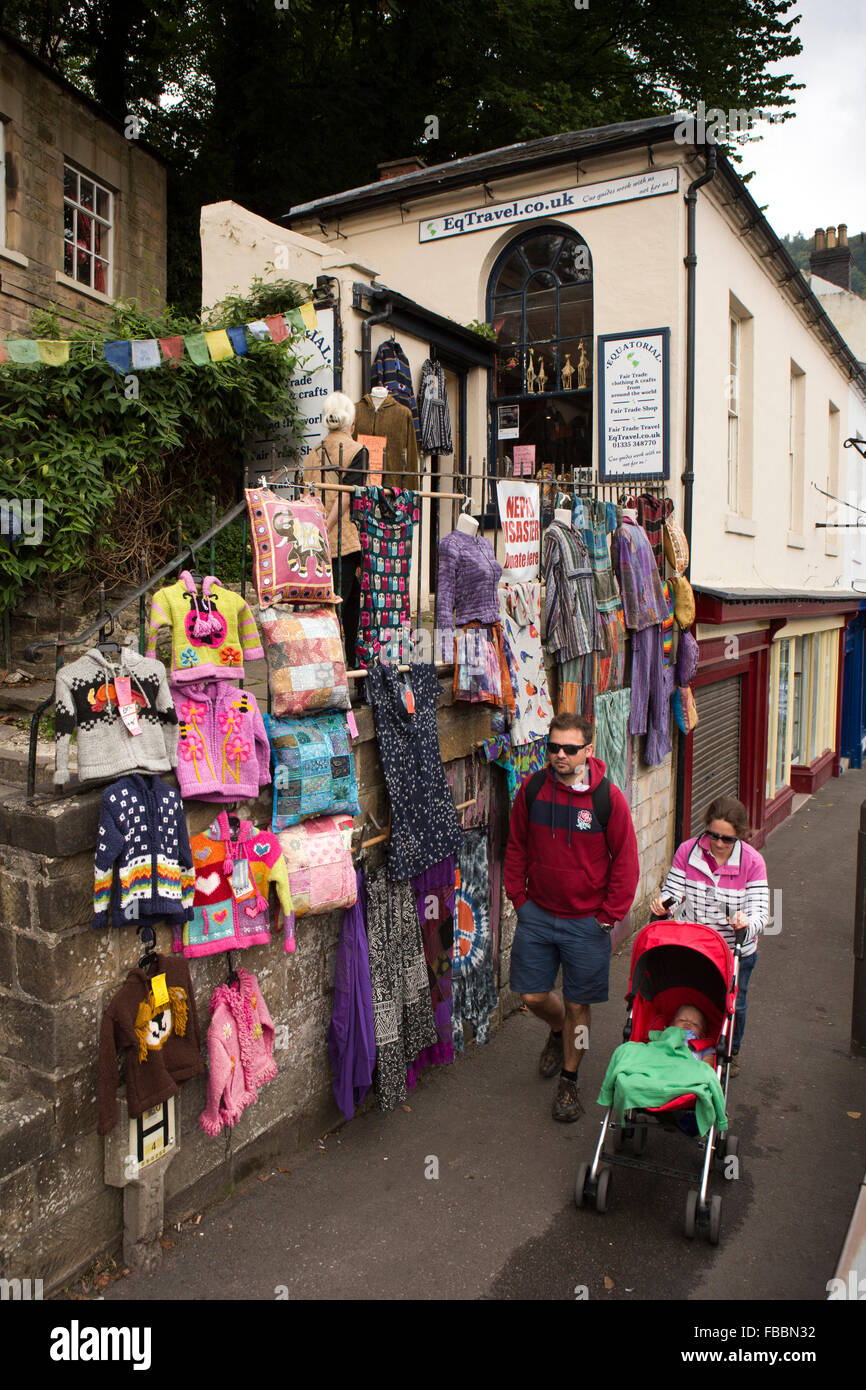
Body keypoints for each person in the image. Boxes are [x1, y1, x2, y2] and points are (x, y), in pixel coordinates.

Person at [504, 711, 639, 1122]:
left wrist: (607, 917)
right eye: (553, 747)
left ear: (588, 750)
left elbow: (627, 863)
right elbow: (516, 848)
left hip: (586, 924)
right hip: (538, 916)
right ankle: (557, 1030)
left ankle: (570, 1079)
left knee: (581, 1006)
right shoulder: (532, 789)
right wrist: (519, 901)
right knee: (532, 996)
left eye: (569, 748)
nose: (559, 755)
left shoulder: (607, 799)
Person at [650, 795, 769, 1077]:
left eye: (727, 839)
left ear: (739, 836)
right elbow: (674, 891)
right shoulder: (688, 851)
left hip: (733, 950)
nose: (717, 843)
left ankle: (732, 1051)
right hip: (692, 945)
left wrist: (746, 922)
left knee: (734, 1004)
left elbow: (762, 912)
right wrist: (664, 904)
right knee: (690, 999)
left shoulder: (752, 862)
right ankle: (681, 1044)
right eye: (713, 835)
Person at [305, 392, 369, 669]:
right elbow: (347, 497)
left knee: (322, 608)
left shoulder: (313, 453)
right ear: (351, 422)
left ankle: (322, 667)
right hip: (345, 542)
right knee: (350, 607)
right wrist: (328, 526)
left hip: (313, 543)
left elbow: (306, 495)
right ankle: (351, 668)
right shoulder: (357, 451)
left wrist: (316, 528)